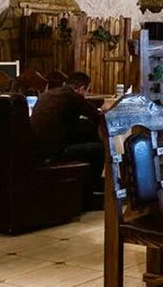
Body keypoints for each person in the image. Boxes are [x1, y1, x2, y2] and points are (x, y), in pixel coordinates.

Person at [30, 71, 110, 207]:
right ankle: (89, 194)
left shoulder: (48, 94)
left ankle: (87, 186)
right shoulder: (73, 96)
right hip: (53, 153)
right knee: (99, 149)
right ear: (82, 89)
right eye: (86, 92)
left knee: (87, 135)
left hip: (37, 150)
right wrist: (105, 109)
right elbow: (97, 116)